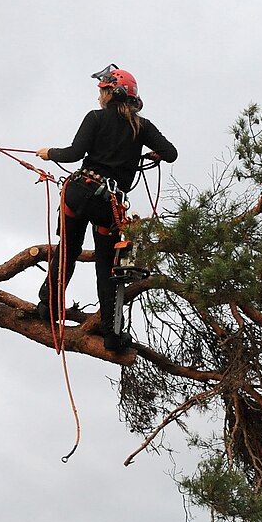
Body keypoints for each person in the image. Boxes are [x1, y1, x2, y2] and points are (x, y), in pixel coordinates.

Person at [35, 64, 177, 352]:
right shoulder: (142, 126)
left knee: (69, 249)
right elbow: (171, 153)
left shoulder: (96, 118)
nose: (99, 96)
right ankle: (112, 334)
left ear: (113, 91)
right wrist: (153, 153)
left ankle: (49, 303)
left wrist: (49, 154)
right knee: (108, 269)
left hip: (78, 193)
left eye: (102, 90)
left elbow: (74, 154)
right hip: (108, 205)